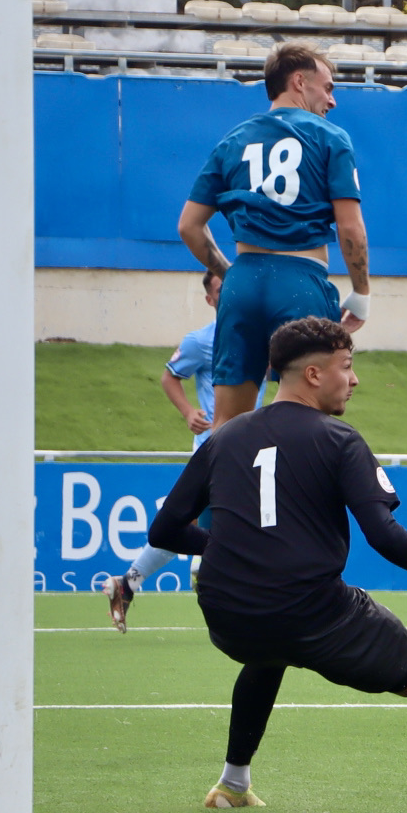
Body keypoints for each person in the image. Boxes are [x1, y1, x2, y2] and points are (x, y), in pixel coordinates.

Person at [145, 317, 407, 813]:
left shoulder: (223, 437)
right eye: (347, 366)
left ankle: (233, 784)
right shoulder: (338, 438)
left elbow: (164, 531)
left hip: (228, 614)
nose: (355, 378)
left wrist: (224, 548)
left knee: (266, 655)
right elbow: (382, 533)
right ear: (314, 375)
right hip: (310, 611)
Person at [175, 44, 370, 429]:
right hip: (301, 278)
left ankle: (224, 492)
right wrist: (361, 292)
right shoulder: (331, 138)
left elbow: (189, 226)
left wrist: (229, 275)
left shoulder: (232, 141)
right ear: (299, 82)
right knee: (309, 417)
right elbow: (350, 227)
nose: (332, 100)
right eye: (327, 88)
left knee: (228, 422)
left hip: (243, 279)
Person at [108, 268, 265, 632]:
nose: (230, 295)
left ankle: (128, 583)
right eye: (221, 291)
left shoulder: (259, 340)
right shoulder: (202, 341)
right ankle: (229, 608)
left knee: (192, 528)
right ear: (211, 300)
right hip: (214, 451)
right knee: (220, 534)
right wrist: (188, 412)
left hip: (250, 451)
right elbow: (170, 376)